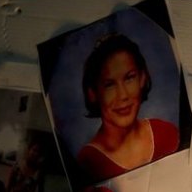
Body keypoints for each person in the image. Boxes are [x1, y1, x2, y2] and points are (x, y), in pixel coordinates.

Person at [76, 33, 179, 181]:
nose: (123, 95)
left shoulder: (166, 133)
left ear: (142, 78)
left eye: (129, 78)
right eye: (109, 85)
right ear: (93, 94)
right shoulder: (89, 163)